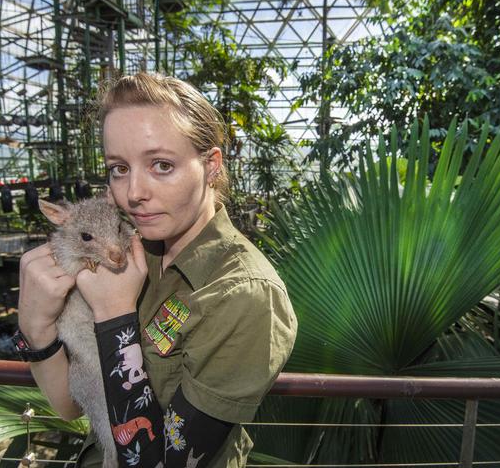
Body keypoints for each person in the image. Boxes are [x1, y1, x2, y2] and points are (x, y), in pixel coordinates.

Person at [16, 72, 297, 467]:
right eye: (119, 168)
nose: (133, 193)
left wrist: (114, 316)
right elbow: (71, 405)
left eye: (161, 165)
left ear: (211, 166)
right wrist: (35, 327)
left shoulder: (243, 296)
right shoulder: (131, 248)